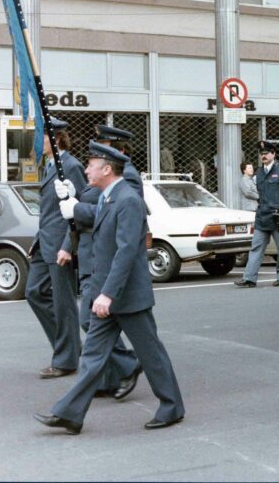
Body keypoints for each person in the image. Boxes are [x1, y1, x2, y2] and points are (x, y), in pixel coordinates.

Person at [34, 142, 185, 435]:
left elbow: (127, 252)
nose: (86, 168)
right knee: (91, 358)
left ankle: (172, 406)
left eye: (91, 164)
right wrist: (73, 207)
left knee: (151, 354)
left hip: (126, 297)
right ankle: (70, 414)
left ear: (106, 169)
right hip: (108, 295)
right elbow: (94, 218)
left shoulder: (128, 200)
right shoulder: (108, 197)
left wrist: (107, 293)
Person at [54, 125, 142, 399]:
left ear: (120, 152)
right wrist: (73, 197)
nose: (97, 155)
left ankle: (126, 365)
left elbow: (106, 212)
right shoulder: (99, 180)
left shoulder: (129, 179)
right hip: (93, 255)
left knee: (92, 322)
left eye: (105, 147)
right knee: (93, 324)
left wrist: (76, 202)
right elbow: (84, 206)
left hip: (107, 259)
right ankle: (111, 374)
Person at [25, 118, 85, 379]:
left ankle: (66, 359)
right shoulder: (50, 166)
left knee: (64, 304)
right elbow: (51, 211)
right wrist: (38, 240)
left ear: (56, 138)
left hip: (61, 246)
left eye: (43, 137)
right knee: (34, 292)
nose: (39, 143)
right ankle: (70, 345)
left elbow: (79, 209)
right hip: (45, 244)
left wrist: (67, 246)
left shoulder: (70, 166)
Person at [235, 141, 279, 288]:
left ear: (273, 154)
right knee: (256, 247)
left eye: (266, 153)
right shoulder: (259, 172)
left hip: (278, 215)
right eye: (261, 154)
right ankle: (249, 278)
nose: (263, 156)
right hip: (263, 215)